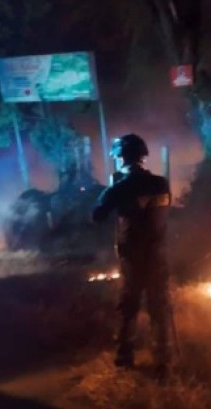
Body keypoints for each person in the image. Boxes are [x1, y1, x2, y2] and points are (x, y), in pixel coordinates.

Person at [92, 133, 172, 372]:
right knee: (159, 304)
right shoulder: (161, 183)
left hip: (133, 256)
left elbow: (96, 216)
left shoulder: (121, 187)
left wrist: (111, 190)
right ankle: (163, 356)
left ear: (121, 158)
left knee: (129, 305)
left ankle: (125, 355)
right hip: (158, 253)